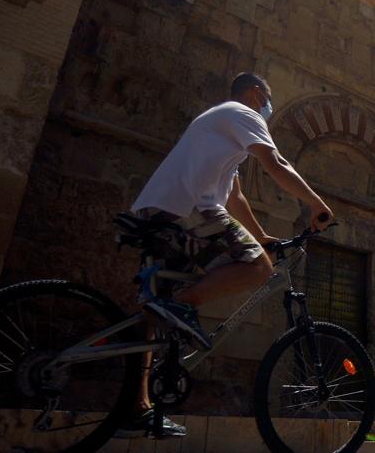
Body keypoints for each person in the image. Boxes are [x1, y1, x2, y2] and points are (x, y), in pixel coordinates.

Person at [117, 72, 335, 437]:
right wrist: (318, 206)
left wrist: (261, 235)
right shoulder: (241, 112)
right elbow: (276, 163)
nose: (268, 107)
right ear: (255, 93)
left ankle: (135, 407)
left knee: (152, 311)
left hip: (156, 212)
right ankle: (183, 304)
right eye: (267, 98)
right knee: (258, 267)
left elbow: (235, 198)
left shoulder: (220, 129)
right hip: (189, 209)